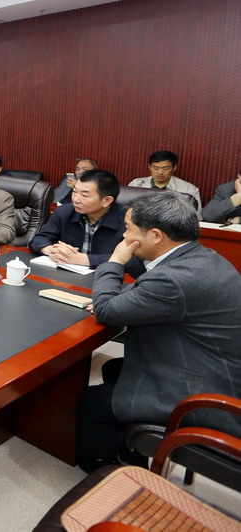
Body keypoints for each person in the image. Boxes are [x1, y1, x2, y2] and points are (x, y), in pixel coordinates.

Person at [77, 191, 241, 472]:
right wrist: (123, 299)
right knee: (115, 369)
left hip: (203, 390)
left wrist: (114, 262)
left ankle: (104, 467)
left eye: (128, 229)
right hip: (215, 367)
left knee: (92, 401)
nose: (124, 236)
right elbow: (149, 290)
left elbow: (105, 310)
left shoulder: (173, 278)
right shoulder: (200, 256)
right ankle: (130, 452)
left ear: (155, 235)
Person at [30, 170, 145, 275]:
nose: (75, 199)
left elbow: (137, 262)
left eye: (84, 195)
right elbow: (38, 239)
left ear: (106, 200)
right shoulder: (64, 212)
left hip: (109, 279)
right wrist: (52, 251)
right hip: (67, 276)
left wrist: (85, 259)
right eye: (74, 192)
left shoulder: (130, 221)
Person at [127, 151, 201, 218]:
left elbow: (196, 217)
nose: (160, 172)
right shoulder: (136, 184)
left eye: (165, 168)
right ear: (149, 166)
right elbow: (126, 209)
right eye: (155, 168)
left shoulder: (189, 189)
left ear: (174, 167)